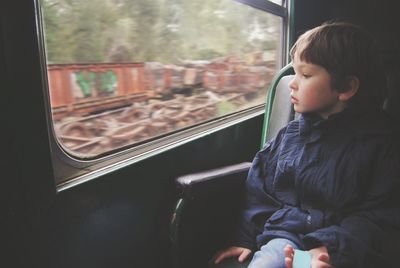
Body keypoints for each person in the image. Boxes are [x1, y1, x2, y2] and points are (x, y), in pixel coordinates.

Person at [212, 21, 400, 268]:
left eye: (306, 75)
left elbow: (382, 214)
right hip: (287, 237)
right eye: (294, 73)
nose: (292, 82)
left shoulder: (382, 144)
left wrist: (330, 248)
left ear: (345, 87)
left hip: (344, 248)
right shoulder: (289, 136)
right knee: (267, 263)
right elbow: (260, 190)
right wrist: (246, 237)